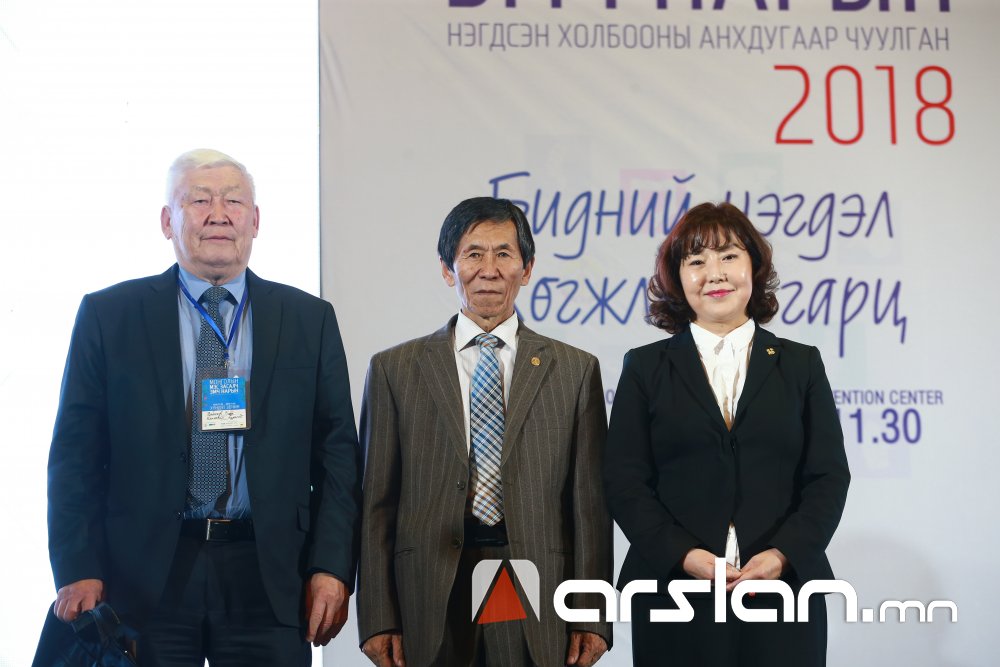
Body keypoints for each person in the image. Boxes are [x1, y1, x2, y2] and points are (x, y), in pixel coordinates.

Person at [43, 149, 362, 666]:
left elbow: (338, 456)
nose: (218, 214)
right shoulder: (110, 315)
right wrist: (78, 566)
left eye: (234, 201)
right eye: (198, 200)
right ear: (167, 220)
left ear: (255, 220)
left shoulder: (309, 318)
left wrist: (331, 566)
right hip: (144, 577)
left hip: (271, 572)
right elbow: (75, 454)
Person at [357, 197, 612, 667]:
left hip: (534, 581)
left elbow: (590, 507)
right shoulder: (395, 369)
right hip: (430, 586)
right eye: (473, 254)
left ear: (527, 268)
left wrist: (592, 613)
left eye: (504, 254)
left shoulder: (575, 371)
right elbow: (377, 503)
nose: (488, 270)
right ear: (447, 269)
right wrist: (377, 615)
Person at [603, 202, 850, 666]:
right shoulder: (645, 367)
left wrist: (782, 555)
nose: (714, 273)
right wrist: (685, 556)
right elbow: (625, 481)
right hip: (674, 592)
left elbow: (828, 477)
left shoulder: (802, 363)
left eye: (729, 256)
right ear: (677, 278)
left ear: (754, 267)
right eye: (696, 260)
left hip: (784, 591)